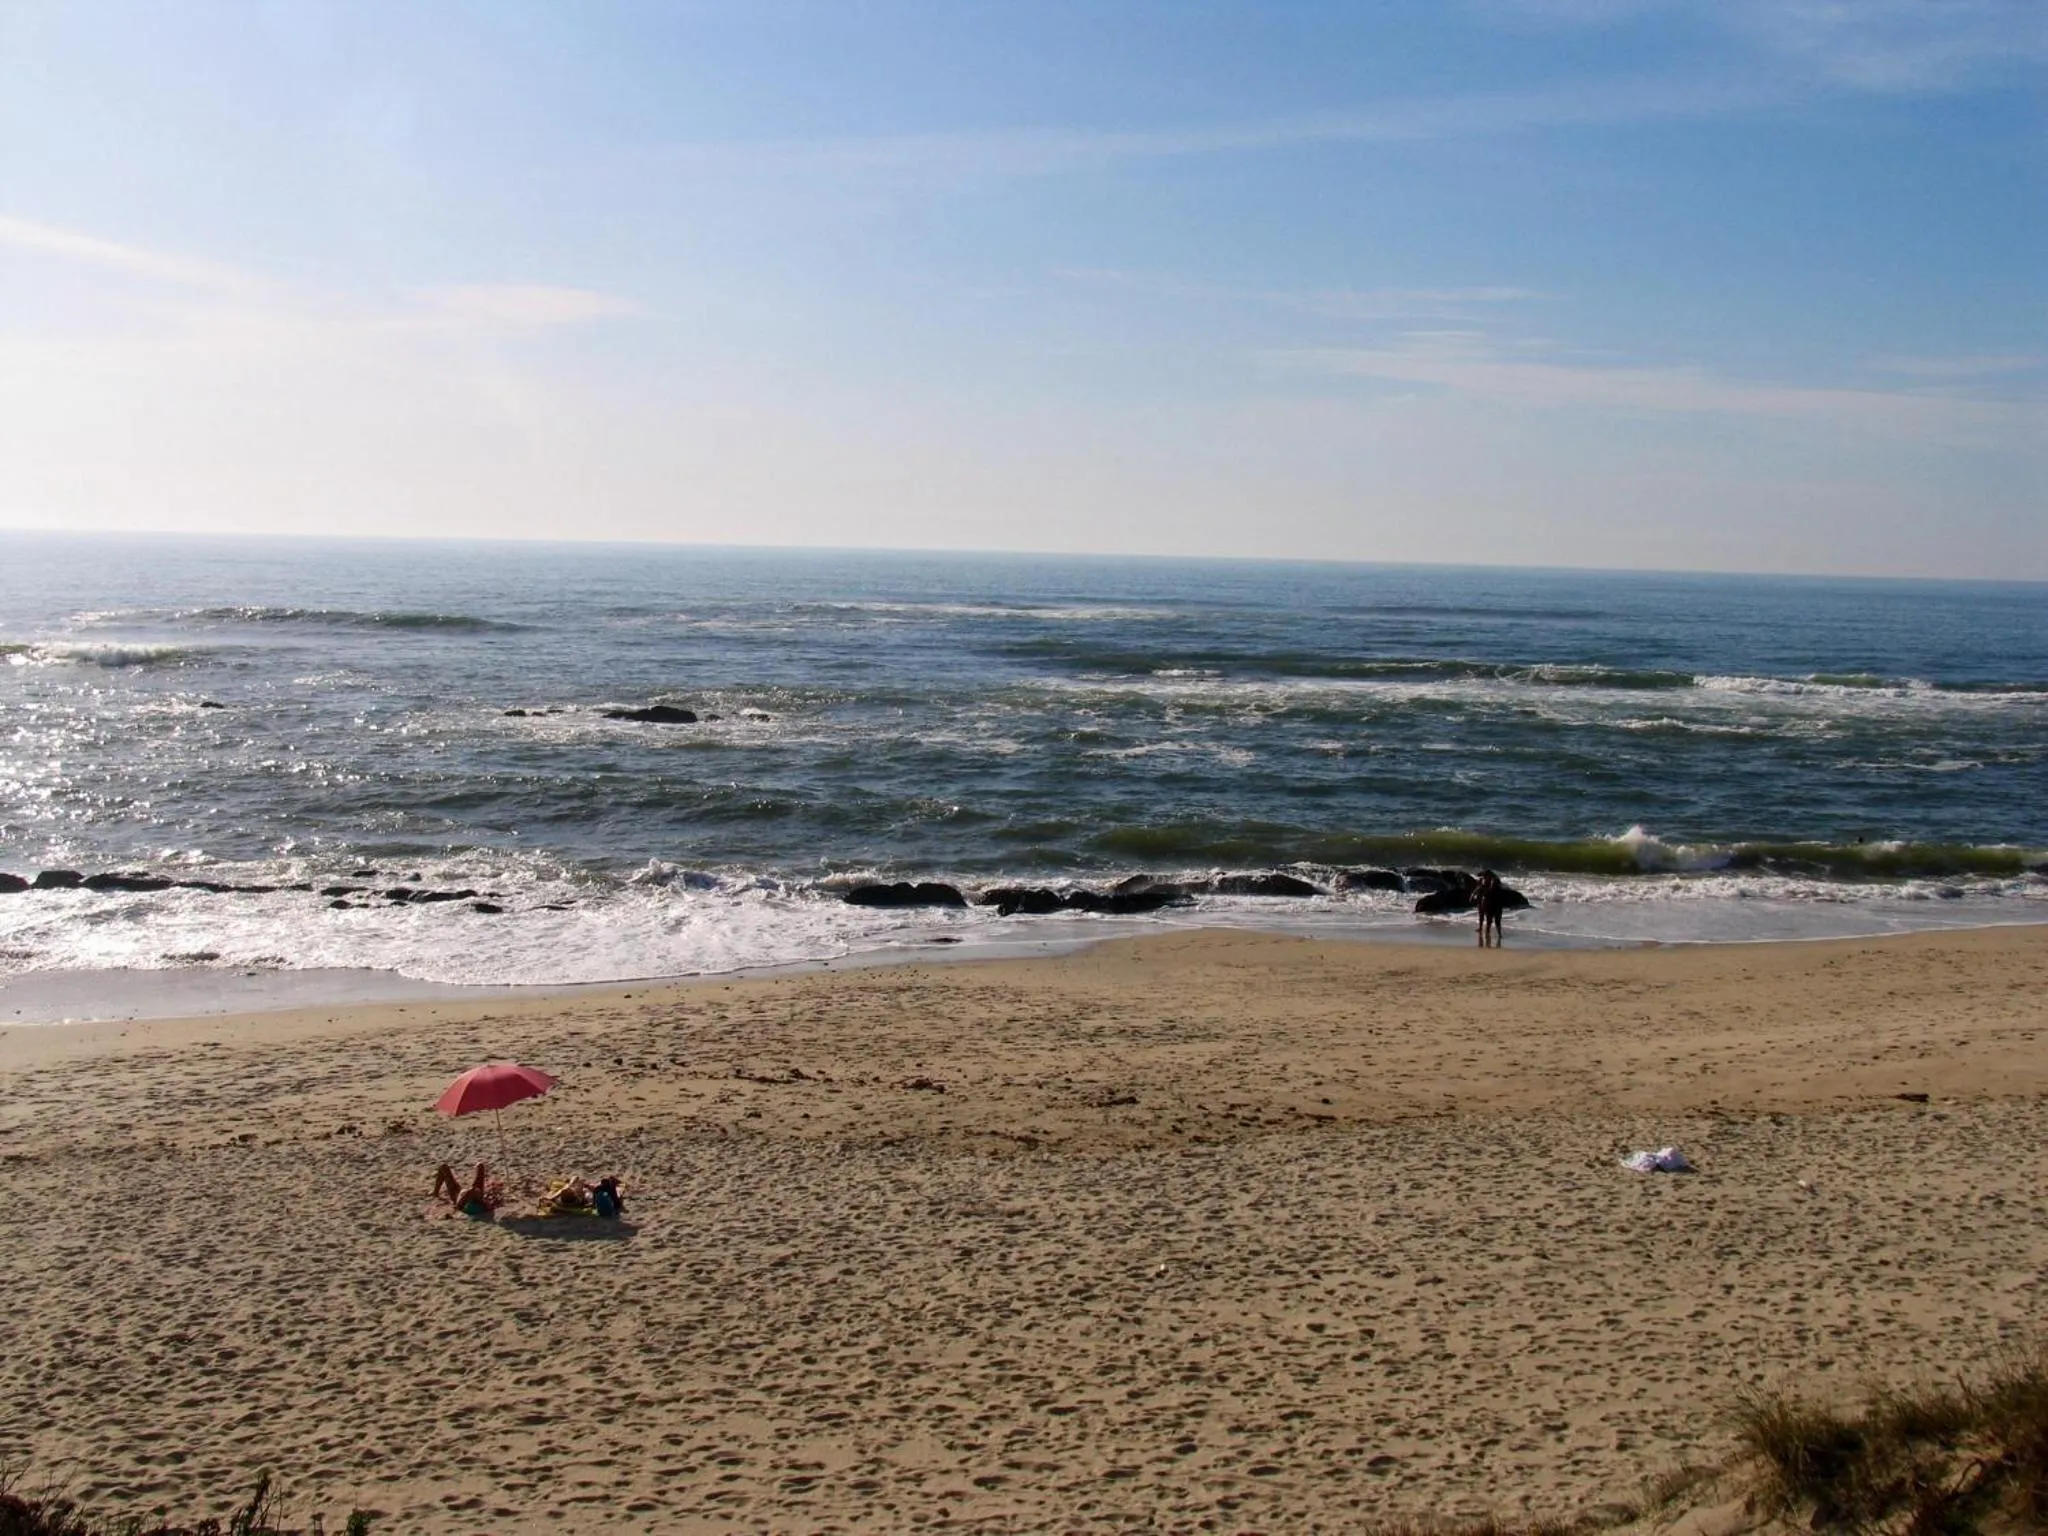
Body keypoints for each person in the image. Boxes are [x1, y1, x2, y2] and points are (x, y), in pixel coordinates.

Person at [1475, 869, 1506, 948]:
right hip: (1491, 904)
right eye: (1484, 876)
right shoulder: (1485, 881)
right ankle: (1489, 935)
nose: (1485, 877)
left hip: (1495, 904)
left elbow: (1491, 891)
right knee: (1490, 920)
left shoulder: (1494, 881)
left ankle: (1497, 935)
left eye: (1486, 876)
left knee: (1496, 921)